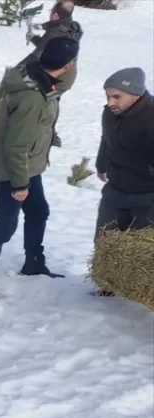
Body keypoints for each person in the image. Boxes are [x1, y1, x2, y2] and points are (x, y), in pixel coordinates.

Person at [0, 37, 80, 299]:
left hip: (29, 167)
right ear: (67, 64)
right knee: (4, 226)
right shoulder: (32, 97)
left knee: (39, 211)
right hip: (14, 172)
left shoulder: (39, 79)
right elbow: (16, 146)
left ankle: (33, 262)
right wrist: (19, 185)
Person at [94, 67, 154, 296]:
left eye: (116, 96)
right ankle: (106, 285)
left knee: (140, 247)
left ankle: (138, 292)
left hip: (147, 194)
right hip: (116, 188)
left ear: (136, 94)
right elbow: (105, 139)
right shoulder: (109, 113)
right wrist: (102, 164)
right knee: (105, 237)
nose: (110, 102)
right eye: (108, 96)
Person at [21, 1, 82, 96]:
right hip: (66, 75)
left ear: (57, 13)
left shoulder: (57, 32)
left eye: (54, 10)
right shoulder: (71, 26)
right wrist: (41, 26)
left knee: (37, 98)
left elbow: (41, 49)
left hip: (57, 78)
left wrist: (33, 38)